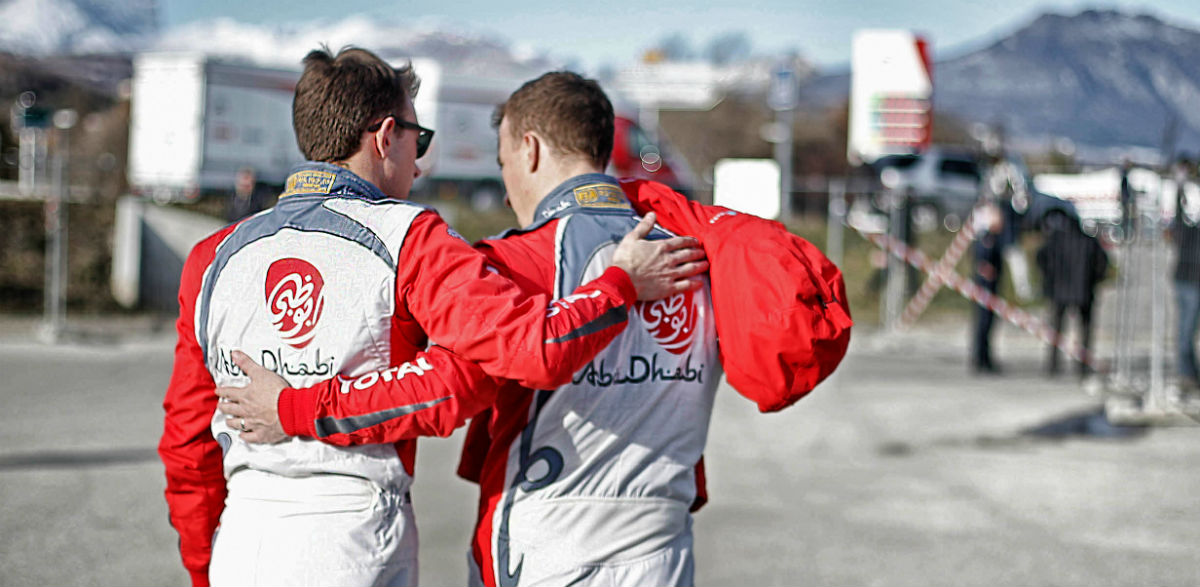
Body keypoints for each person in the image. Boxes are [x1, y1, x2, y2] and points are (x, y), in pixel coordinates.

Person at [216, 71, 850, 586]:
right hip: (664, 547)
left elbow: (444, 389)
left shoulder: (510, 262)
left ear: (531, 150)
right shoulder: (700, 252)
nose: (506, 180)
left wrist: (298, 405)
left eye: (502, 160)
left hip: (545, 547)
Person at [158, 48, 706, 587]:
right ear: (384, 135)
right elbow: (491, 369)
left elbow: (187, 441)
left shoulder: (213, 255)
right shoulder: (411, 237)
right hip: (353, 537)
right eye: (418, 140)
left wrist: (207, 565)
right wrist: (618, 285)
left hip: (244, 535)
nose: (419, 164)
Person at [1035, 212, 1108, 376]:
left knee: (1057, 328)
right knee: (1085, 329)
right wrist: (1094, 280)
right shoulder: (1088, 241)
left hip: (1059, 290)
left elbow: (1040, 258)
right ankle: (1083, 364)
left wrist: (1049, 277)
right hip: (1083, 290)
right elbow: (1102, 263)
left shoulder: (1056, 241)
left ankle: (1053, 364)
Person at [1170, 156, 1200, 390]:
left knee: (1186, 332)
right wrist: (1179, 189)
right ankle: (1188, 374)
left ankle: (1189, 373)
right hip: (1187, 281)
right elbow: (1178, 220)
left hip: (1188, 280)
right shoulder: (1188, 231)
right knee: (1185, 332)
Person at [971, 202, 1005, 374]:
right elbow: (982, 262)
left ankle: (985, 358)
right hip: (985, 288)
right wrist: (987, 270)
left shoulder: (994, 237)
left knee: (989, 324)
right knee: (983, 324)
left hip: (990, 288)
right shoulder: (987, 238)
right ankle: (981, 359)